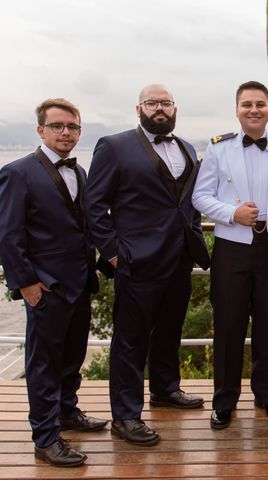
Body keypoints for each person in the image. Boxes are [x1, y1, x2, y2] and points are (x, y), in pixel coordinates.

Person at [85, 84, 210, 446]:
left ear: (175, 108)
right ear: (139, 107)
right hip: (135, 261)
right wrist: (112, 253)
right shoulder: (113, 146)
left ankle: (165, 388)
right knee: (130, 340)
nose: (160, 108)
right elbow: (95, 205)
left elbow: (188, 203)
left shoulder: (186, 147)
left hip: (179, 258)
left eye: (166, 103)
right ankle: (125, 416)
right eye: (153, 103)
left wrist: (194, 235)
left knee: (170, 329)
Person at [0, 98, 108, 467]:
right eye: (58, 126)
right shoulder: (17, 172)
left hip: (79, 282)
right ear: (40, 130)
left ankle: (67, 412)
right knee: (44, 363)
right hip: (44, 288)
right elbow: (8, 236)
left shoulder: (80, 172)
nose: (66, 133)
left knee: (72, 356)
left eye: (73, 127)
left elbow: (84, 226)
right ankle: (46, 438)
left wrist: (95, 264)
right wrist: (26, 284)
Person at [192, 81, 268, 430]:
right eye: (247, 104)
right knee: (229, 326)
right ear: (236, 110)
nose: (254, 110)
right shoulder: (218, 148)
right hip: (232, 248)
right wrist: (231, 213)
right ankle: (224, 400)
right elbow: (200, 196)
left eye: (261, 104)